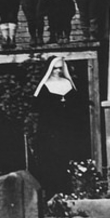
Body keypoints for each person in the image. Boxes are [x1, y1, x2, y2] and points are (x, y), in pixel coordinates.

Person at [32, 57, 85, 198]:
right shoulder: (45, 86)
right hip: (51, 130)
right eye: (55, 68)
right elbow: (41, 110)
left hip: (67, 129)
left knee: (68, 158)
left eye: (60, 68)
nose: (58, 71)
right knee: (52, 160)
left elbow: (76, 107)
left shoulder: (68, 84)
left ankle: (69, 190)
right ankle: (52, 191)